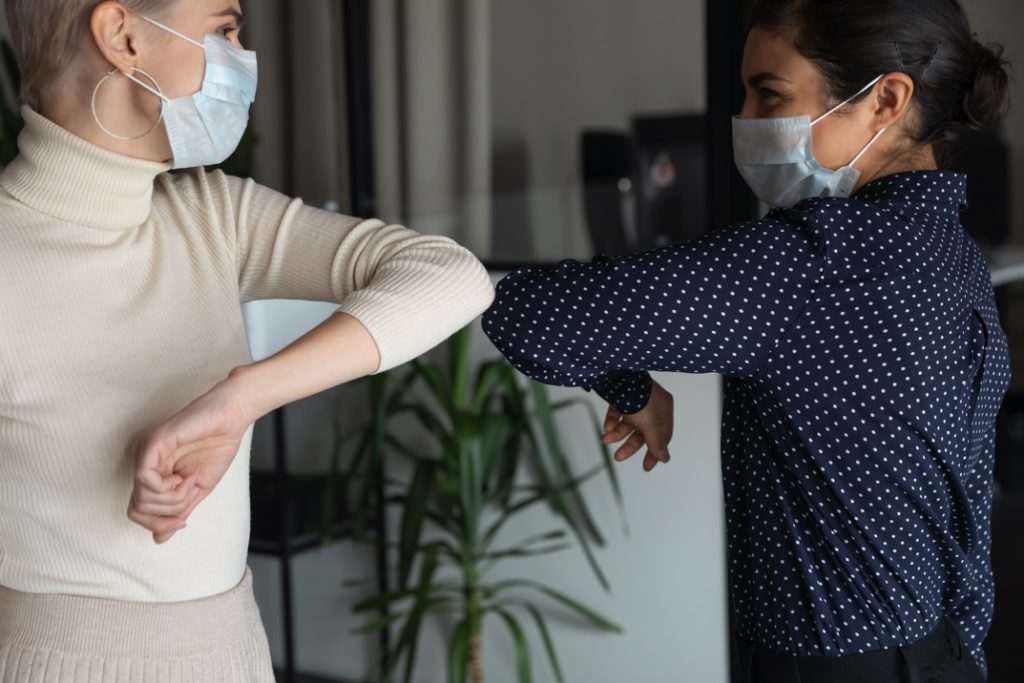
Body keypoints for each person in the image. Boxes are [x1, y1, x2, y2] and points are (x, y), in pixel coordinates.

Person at [483, 0, 1011, 681]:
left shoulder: (809, 263)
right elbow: (969, 502)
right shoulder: (952, 250)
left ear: (886, 99)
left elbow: (525, 313)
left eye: (770, 94)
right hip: (943, 653)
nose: (745, 120)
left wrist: (631, 387)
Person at [0, 0, 493, 679]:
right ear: (122, 35)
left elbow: (452, 276)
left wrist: (243, 397)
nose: (240, 54)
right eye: (224, 27)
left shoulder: (215, 215)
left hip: (234, 653)